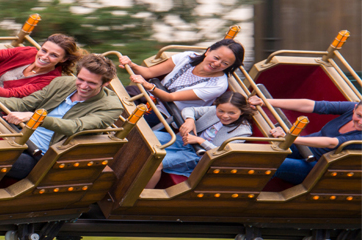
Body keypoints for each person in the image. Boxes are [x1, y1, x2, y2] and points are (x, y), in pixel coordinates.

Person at [0, 54, 124, 180]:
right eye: (81, 79)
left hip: (42, 156)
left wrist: (35, 118)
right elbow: (26, 104)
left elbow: (76, 126)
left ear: (105, 84)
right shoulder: (63, 83)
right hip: (20, 134)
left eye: (91, 83)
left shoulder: (111, 106)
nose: (83, 86)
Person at [147, 92, 255, 188]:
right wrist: (190, 120)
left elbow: (222, 154)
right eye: (221, 111)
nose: (225, 116)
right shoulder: (214, 110)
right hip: (184, 141)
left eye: (232, 113)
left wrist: (200, 141)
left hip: (198, 156)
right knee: (148, 136)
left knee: (156, 163)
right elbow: (189, 110)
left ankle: (143, 194)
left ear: (241, 112)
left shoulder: (243, 131)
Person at [247, 96, 362, 184]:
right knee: (264, 150)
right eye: (359, 116)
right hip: (304, 147)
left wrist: (291, 138)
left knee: (271, 163)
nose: (361, 122)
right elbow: (312, 105)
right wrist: (264, 102)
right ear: (354, 109)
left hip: (317, 166)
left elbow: (332, 142)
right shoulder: (351, 107)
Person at [118, 38, 246, 114]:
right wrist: (131, 64)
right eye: (216, 57)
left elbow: (170, 97)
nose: (217, 64)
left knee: (124, 114)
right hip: (148, 96)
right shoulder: (187, 57)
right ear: (208, 51)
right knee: (115, 97)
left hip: (168, 112)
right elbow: (149, 73)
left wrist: (148, 85)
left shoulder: (218, 85)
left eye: (225, 63)